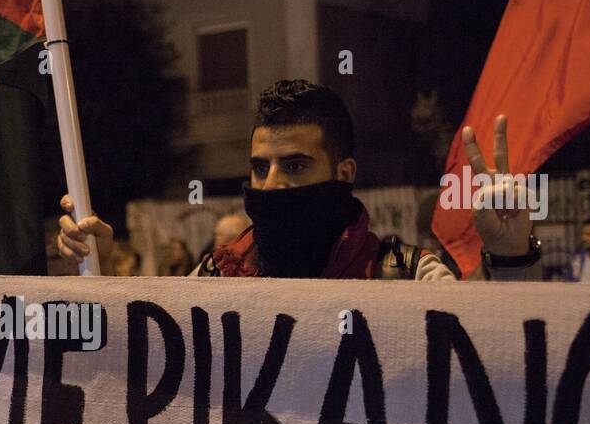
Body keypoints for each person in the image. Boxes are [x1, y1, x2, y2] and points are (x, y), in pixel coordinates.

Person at [58, 79, 541, 282]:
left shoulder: (406, 276)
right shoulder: (214, 278)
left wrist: (513, 256)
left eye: (294, 167)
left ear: (344, 173)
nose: (270, 185)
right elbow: (141, 365)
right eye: (259, 167)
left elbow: (499, 363)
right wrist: (97, 277)